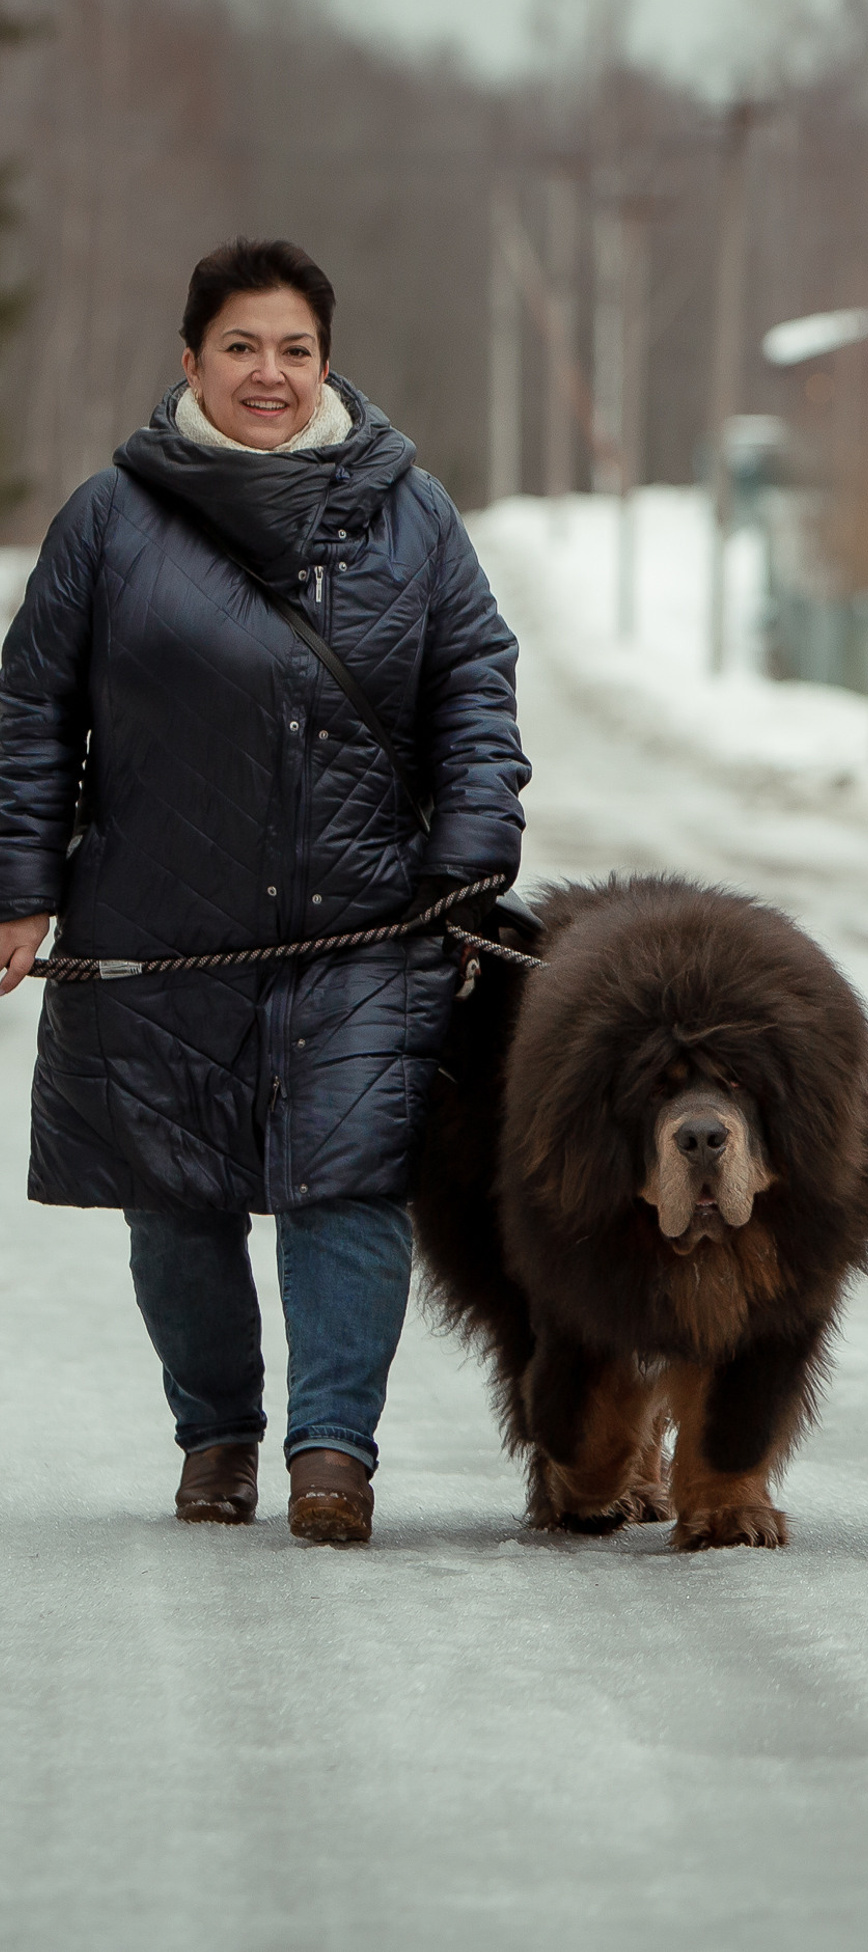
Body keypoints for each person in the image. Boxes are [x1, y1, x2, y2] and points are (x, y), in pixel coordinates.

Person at [0, 239, 529, 1545]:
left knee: (346, 1183)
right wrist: (19, 887)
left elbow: (474, 683)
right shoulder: (106, 524)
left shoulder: (413, 515)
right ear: (190, 362)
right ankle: (217, 1434)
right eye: (240, 346)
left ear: (326, 362)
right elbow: (29, 718)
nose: (269, 373)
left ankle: (333, 1454)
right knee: (178, 1197)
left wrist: (469, 855)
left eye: (294, 348)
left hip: (365, 922)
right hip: (158, 926)